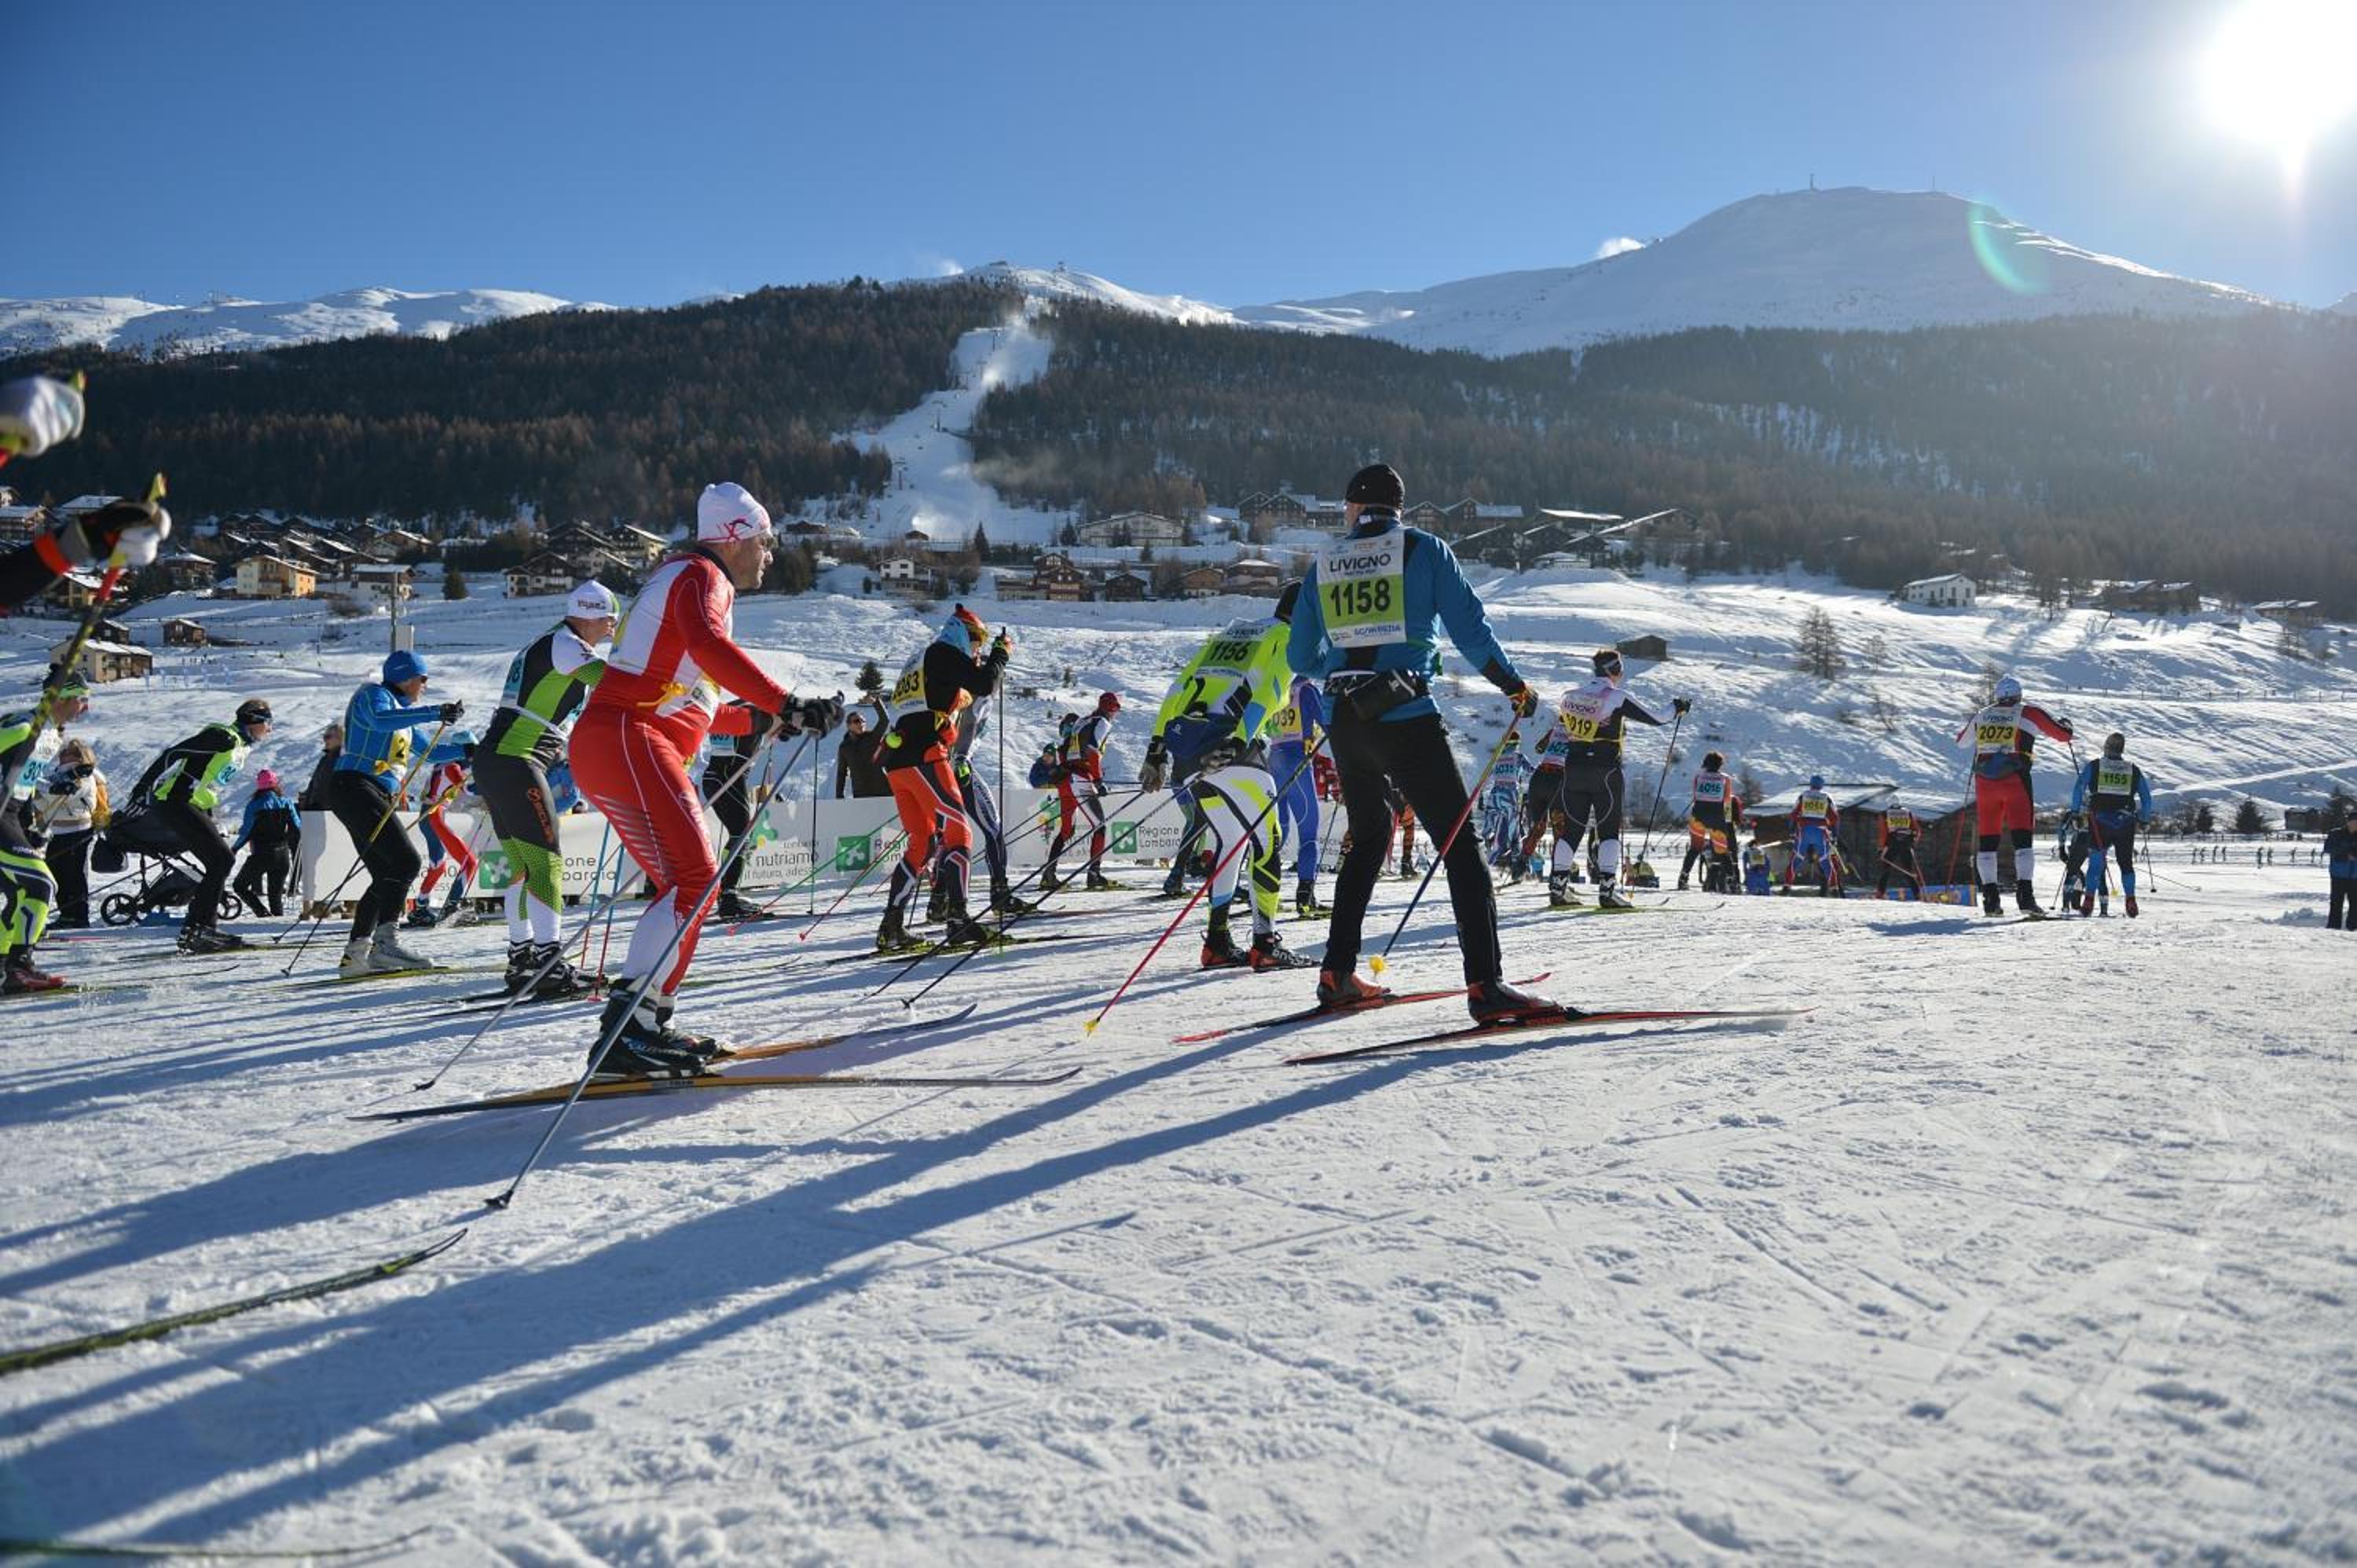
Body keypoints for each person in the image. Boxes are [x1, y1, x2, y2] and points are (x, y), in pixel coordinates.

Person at [570, 482, 838, 1072]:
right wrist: (785, 702)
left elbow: (696, 702)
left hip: (619, 739)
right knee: (695, 879)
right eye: (764, 541)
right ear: (735, 537)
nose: (770, 554)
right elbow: (709, 645)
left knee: (689, 884)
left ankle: (642, 1025)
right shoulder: (700, 575)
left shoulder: (684, 580)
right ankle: (630, 1029)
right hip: (629, 735)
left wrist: (765, 718)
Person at [1288, 462, 1552, 1020]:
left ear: (1355, 507)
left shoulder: (1325, 562)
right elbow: (1471, 632)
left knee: (1368, 840)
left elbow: (1300, 657)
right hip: (1403, 712)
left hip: (1345, 718)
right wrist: (1512, 685)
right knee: (1462, 847)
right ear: (1399, 508)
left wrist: (1342, 665)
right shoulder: (1424, 549)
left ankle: (1337, 973)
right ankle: (1486, 985)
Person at [1142, 587, 1314, 971]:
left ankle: (1218, 942)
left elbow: (1178, 688)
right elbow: (1269, 692)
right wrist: (1240, 740)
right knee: (1268, 840)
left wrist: (1156, 749)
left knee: (1232, 840)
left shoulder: (1230, 634)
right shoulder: (1287, 638)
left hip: (1188, 749)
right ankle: (1265, 943)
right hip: (1231, 747)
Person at [475, 581, 614, 996]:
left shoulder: (552, 642)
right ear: (590, 615)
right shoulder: (567, 644)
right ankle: (550, 964)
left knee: (523, 867)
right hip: (517, 761)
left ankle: (522, 959)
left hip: (498, 761)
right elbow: (613, 684)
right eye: (609, 620)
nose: (611, 629)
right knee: (547, 864)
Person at [875, 605, 1010, 951]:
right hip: (925, 755)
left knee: (922, 842)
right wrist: (1000, 654)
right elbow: (985, 683)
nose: (977, 650)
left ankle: (891, 926)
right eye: (977, 642)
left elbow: (945, 696)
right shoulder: (944, 652)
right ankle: (958, 919)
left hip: (897, 761)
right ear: (964, 634)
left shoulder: (919, 660)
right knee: (959, 832)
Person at [329, 651, 467, 975]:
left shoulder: (403, 717)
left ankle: (356, 955)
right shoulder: (373, 695)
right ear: (406, 678)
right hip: (355, 785)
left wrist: (472, 750)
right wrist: (435, 712)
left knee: (385, 872)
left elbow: (432, 752)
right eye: (423, 678)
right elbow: (380, 720)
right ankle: (386, 946)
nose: (425, 685)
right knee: (406, 861)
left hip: (368, 791)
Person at [135, 696, 275, 954]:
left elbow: (205, 780)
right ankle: (201, 929)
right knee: (222, 860)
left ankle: (197, 929)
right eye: (268, 723)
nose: (270, 729)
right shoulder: (224, 738)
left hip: (189, 804)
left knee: (219, 861)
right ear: (254, 720)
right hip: (175, 801)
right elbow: (173, 754)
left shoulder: (240, 746)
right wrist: (141, 789)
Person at [1549, 650, 1681, 911]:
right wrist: (1677, 707)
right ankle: (1608, 891)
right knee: (1608, 831)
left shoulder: (1569, 696)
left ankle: (1557, 888)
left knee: (1571, 831)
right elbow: (1658, 718)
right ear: (1615, 670)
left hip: (1573, 768)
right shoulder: (1616, 696)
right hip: (1605, 770)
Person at [0, 671, 91, 992]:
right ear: (61, 698)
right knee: (41, 884)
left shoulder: (51, 734)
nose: (86, 708)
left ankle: (5, 962)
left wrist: (50, 787)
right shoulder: (24, 727)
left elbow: (18, 776)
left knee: (21, 892)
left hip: (12, 815)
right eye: (81, 699)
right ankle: (20, 966)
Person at [1956, 673, 2073, 916]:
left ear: (1997, 697)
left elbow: (1961, 743)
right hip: (2015, 782)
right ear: (2019, 696)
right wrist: (2067, 726)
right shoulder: (2028, 712)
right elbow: (2063, 736)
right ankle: (2026, 898)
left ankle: (1990, 900)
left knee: (1988, 842)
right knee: (2022, 841)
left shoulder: (1982, 714)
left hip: (1985, 784)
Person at [2066, 731, 2154, 918]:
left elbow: (2078, 788)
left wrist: (2075, 812)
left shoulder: (2095, 766)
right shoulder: (2133, 769)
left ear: (2106, 748)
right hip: (2125, 823)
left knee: (2096, 864)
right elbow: (2146, 798)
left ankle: (2088, 900)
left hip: (2100, 823)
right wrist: (2144, 819)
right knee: (2126, 864)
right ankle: (2131, 900)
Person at [1043, 691, 1120, 892]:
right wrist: (1098, 780)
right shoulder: (1102, 722)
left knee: (1067, 831)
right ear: (1112, 709)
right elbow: (1093, 751)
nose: (1115, 715)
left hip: (1066, 779)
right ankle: (1094, 875)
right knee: (1100, 826)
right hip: (1080, 779)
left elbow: (1063, 748)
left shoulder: (1082, 721)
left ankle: (1048, 876)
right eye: (1116, 710)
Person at [1267, 671, 1328, 915]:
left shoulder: (1277, 687)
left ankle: (1263, 894)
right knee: (1308, 834)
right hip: (1297, 762)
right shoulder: (1307, 689)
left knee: (1276, 833)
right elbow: (1328, 722)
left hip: (1274, 761)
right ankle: (1305, 898)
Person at [407, 748, 480, 926]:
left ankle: (420, 908)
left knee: (438, 866)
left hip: (430, 814)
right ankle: (452, 907)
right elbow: (467, 790)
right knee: (469, 862)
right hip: (434, 816)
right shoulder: (452, 766)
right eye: (471, 752)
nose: (472, 759)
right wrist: (491, 787)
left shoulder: (443, 764)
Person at [38, 738, 104, 929]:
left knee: (74, 874)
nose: (63, 756)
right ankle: (67, 914)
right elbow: (45, 801)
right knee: (56, 873)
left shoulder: (85, 776)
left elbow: (66, 795)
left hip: (78, 830)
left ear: (81, 756)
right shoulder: (58, 777)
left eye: (69, 753)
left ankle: (79, 917)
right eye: (63, 752)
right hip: (57, 831)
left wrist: (43, 788)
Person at [229, 769, 302, 918]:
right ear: (276, 783)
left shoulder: (254, 805)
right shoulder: (287, 802)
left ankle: (262, 913)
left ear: (259, 785)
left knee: (240, 886)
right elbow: (297, 828)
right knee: (275, 897)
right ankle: (277, 925)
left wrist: (234, 849)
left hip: (262, 855)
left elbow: (246, 832)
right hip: (282, 855)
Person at [294, 724, 344, 917]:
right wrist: (307, 798)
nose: (325, 740)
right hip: (317, 814)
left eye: (329, 736)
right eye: (324, 736)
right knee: (319, 860)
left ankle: (339, 902)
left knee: (334, 858)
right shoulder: (326, 759)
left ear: (340, 737)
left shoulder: (343, 758)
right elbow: (316, 784)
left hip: (333, 815)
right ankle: (322, 902)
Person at [1677, 752, 1743, 893]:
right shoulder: (1725, 779)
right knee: (1722, 850)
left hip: (1698, 815)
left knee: (1695, 848)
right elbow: (1727, 800)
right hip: (1716, 816)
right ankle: (1732, 882)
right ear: (1720, 765)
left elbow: (1695, 796)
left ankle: (1683, 878)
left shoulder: (1698, 777)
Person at [1783, 775, 1842, 894]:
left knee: (1797, 858)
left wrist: (1792, 832)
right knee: (1825, 861)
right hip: (1820, 831)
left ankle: (1787, 886)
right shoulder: (1826, 797)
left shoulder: (1803, 796)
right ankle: (1834, 888)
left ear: (1810, 784)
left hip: (1805, 830)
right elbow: (1835, 817)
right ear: (1821, 785)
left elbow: (1793, 814)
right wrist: (1834, 835)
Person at [833, 707, 890, 798]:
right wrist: (839, 795)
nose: (861, 724)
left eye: (863, 721)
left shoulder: (873, 737)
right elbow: (841, 772)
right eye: (857, 721)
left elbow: (885, 720)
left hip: (884, 790)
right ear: (848, 725)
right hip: (861, 794)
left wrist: (876, 702)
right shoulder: (844, 747)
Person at [1875, 800, 1926, 899]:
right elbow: (1917, 829)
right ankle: (1918, 894)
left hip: (1892, 844)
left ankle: (1880, 893)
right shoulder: (1907, 812)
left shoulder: (1885, 814)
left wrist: (1881, 848)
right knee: (1908, 870)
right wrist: (1913, 842)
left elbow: (1883, 832)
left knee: (1886, 869)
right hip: (1906, 844)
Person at [2325, 817, 2356, 931]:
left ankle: (2353, 928)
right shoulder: (2336, 834)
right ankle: (2333, 928)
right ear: (2348, 822)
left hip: (2355, 876)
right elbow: (2328, 848)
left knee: (2355, 904)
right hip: (2338, 874)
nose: (2355, 824)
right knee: (2336, 902)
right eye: (2353, 821)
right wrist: (2346, 855)